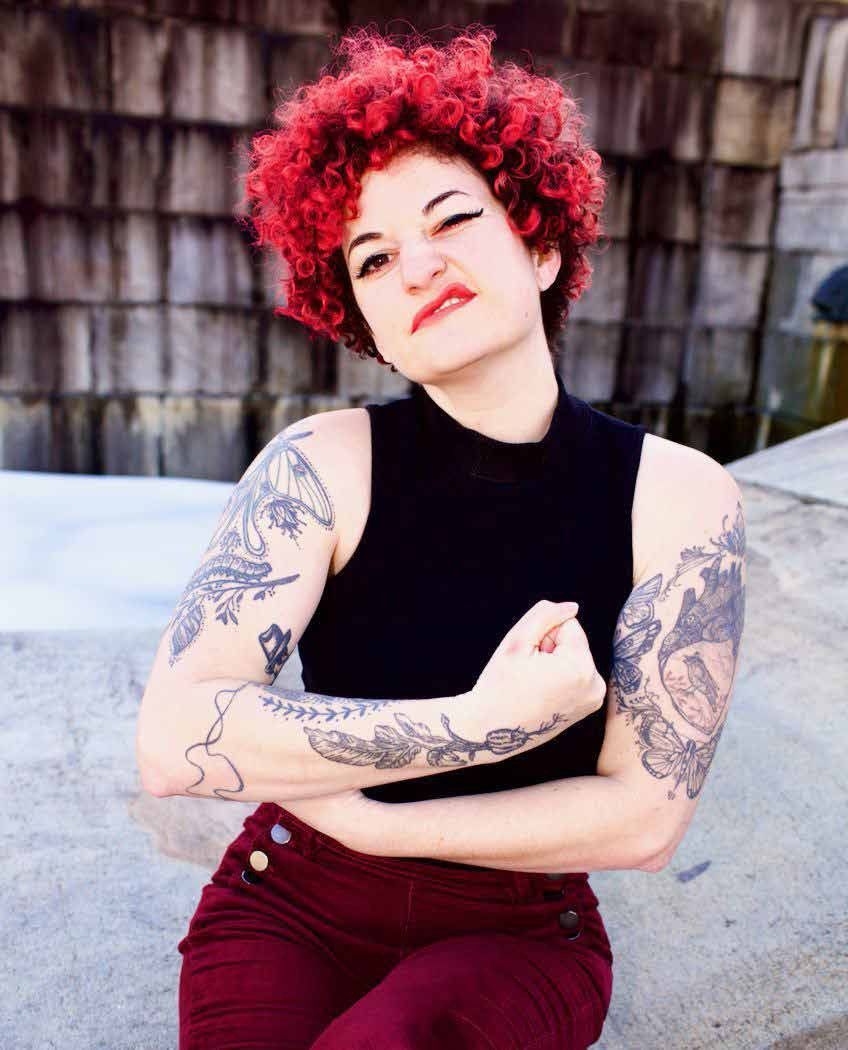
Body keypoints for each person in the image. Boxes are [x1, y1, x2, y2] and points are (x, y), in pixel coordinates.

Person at [136, 25, 747, 1050]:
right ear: (365, 322)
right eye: (373, 258)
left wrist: (381, 825)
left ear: (540, 244)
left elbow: (643, 819)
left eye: (452, 218)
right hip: (290, 897)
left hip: (518, 929)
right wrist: (477, 722)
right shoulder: (321, 464)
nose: (418, 266)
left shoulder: (678, 496)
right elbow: (173, 740)